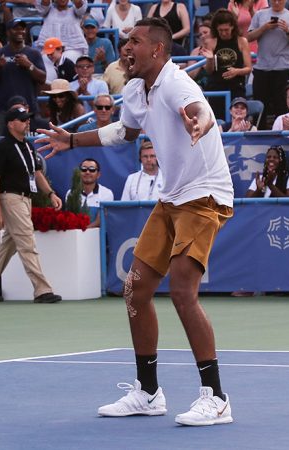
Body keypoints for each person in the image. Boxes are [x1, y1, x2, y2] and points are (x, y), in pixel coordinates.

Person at [36, 18, 235, 426]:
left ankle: (216, 397)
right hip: (172, 196)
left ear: (157, 50)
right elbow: (125, 133)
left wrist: (200, 122)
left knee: (182, 291)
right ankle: (148, 392)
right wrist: (72, 140)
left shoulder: (177, 83)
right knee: (135, 290)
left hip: (204, 194)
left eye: (135, 41)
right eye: (126, 40)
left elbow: (199, 110)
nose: (126, 47)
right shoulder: (133, 89)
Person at [0, 106, 63, 304]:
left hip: (25, 199)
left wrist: (50, 194)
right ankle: (42, 290)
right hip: (11, 198)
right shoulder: (3, 147)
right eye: (22, 119)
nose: (27, 122)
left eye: (28, 119)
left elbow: (37, 173)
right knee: (27, 243)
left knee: (9, 244)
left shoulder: (27, 146)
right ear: (10, 124)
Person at [247, 0, 289, 129]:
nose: (277, 2)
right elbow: (249, 37)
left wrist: (288, 30)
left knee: (282, 106)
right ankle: (259, 134)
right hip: (262, 68)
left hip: (283, 69)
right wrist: (264, 28)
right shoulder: (260, 15)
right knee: (260, 108)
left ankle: (283, 133)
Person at [0, 18, 47, 135]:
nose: (20, 31)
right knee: (4, 143)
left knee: (31, 143)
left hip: (29, 110)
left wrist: (29, 65)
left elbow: (42, 79)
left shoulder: (34, 54)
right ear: (8, 32)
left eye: (22, 29)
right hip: (3, 110)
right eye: (16, 29)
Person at [200, 9, 252, 120]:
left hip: (236, 87)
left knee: (238, 119)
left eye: (226, 30)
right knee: (218, 119)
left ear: (232, 27)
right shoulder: (211, 42)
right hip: (217, 87)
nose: (223, 33)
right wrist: (210, 59)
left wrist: (236, 71)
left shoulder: (242, 41)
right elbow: (209, 71)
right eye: (220, 30)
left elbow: (248, 68)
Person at [65, 158, 114, 228]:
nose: (87, 172)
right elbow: (69, 218)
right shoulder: (70, 193)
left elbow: (100, 221)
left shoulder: (106, 193)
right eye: (83, 169)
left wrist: (83, 230)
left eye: (92, 169)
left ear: (98, 174)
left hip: (97, 234)